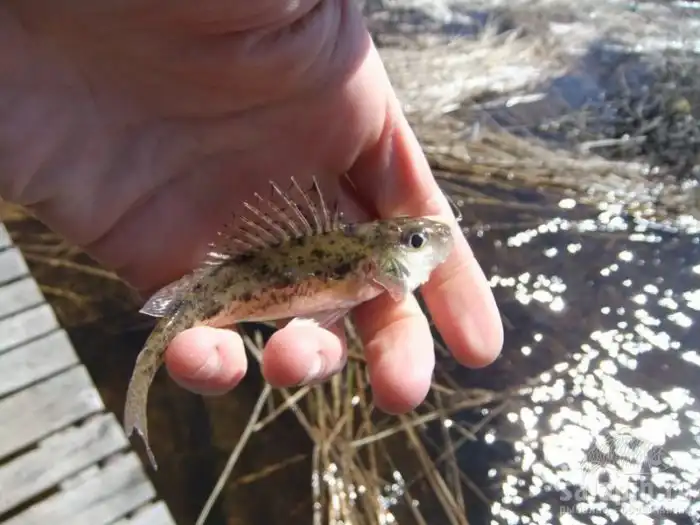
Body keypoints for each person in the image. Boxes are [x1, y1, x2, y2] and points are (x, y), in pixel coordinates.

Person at [0, 1, 502, 414]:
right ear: (373, 260)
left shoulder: (361, 270)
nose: (427, 240)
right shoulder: (359, 270)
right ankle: (137, 400)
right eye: (414, 241)